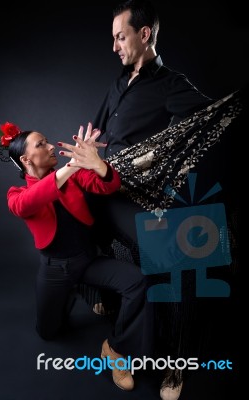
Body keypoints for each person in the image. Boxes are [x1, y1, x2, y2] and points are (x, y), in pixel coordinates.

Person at [86, 1, 215, 399]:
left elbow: (206, 122)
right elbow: (98, 132)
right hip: (106, 190)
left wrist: (158, 161)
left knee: (183, 255)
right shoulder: (118, 84)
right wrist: (85, 150)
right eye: (112, 38)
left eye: (120, 37)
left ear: (144, 35)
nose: (114, 47)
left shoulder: (172, 84)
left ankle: (175, 364)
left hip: (141, 195)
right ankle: (107, 300)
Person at [0, 120, 147, 392]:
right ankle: (77, 293)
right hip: (55, 270)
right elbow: (28, 203)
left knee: (138, 282)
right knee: (49, 333)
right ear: (26, 159)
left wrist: (96, 164)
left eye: (47, 141)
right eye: (42, 144)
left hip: (88, 261)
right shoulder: (18, 193)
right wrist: (71, 166)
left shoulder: (74, 175)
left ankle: (116, 349)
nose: (51, 146)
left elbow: (108, 186)